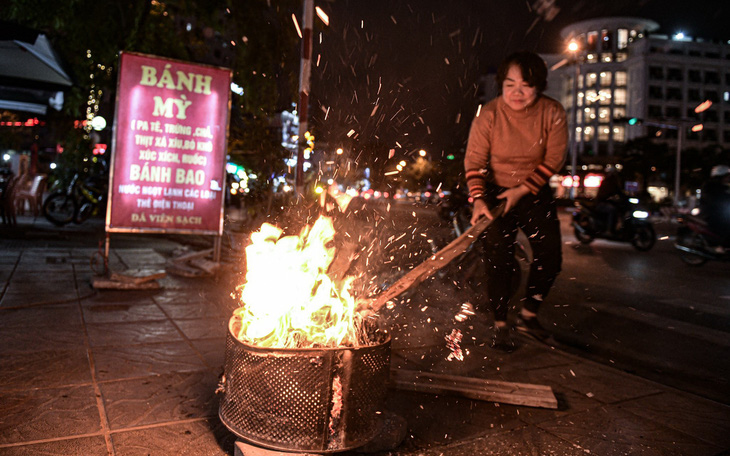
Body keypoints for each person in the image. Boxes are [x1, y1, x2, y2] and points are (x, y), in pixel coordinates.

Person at [464, 51, 567, 351]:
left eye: (526, 85)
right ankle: (500, 324)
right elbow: (474, 161)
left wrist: (522, 190)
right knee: (499, 261)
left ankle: (528, 315)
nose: (517, 92)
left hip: (534, 190)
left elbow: (554, 158)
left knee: (550, 256)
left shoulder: (552, 112)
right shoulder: (490, 115)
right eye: (510, 85)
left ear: (539, 86)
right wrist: (479, 200)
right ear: (501, 85)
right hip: (495, 191)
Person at [699, 164, 730, 250]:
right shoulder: (709, 186)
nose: (728, 179)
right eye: (727, 177)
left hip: (721, 212)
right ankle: (721, 246)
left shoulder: (724, 186)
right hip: (711, 214)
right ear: (720, 177)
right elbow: (713, 199)